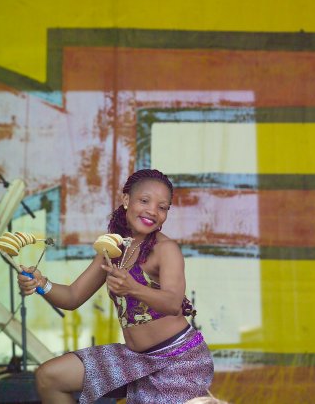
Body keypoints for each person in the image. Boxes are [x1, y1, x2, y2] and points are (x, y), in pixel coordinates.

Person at [18, 169, 213, 404]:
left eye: (163, 207)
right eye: (144, 201)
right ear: (126, 200)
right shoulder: (113, 249)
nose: (153, 211)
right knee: (49, 377)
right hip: (134, 358)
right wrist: (42, 284)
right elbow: (71, 297)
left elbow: (172, 303)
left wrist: (133, 288)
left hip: (179, 360)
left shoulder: (166, 249)